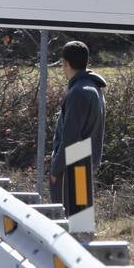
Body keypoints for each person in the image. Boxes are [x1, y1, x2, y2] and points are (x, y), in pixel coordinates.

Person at [47, 41, 107, 216]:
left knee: (66, 223)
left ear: (65, 63)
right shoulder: (93, 88)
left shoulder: (78, 92)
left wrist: (55, 170)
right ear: (86, 62)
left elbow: (70, 138)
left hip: (71, 168)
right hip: (84, 162)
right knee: (80, 223)